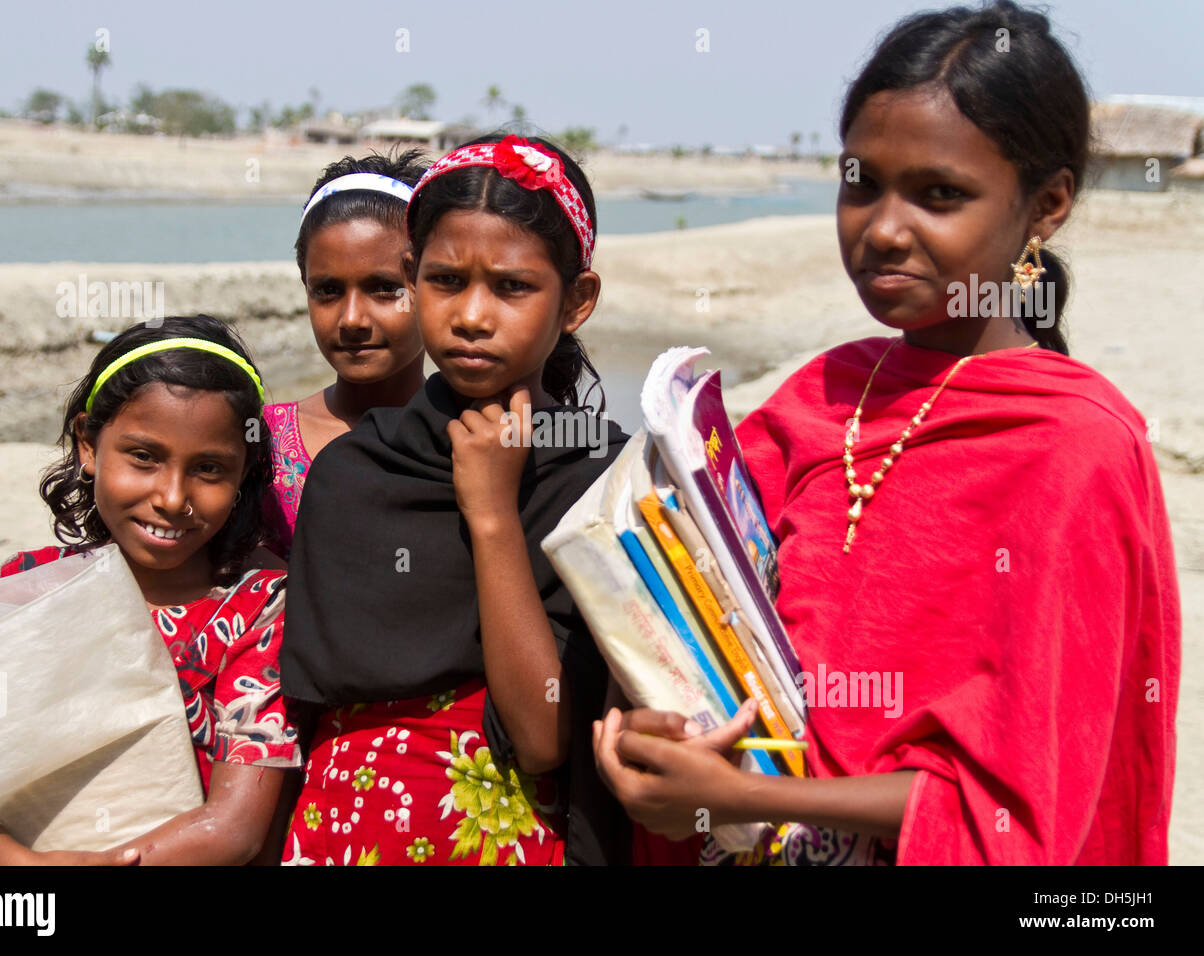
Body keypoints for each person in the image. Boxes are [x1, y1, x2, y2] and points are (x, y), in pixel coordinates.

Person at [593, 0, 1179, 865]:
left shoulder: (1074, 449)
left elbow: (1020, 806)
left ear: (1046, 206)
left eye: (940, 195)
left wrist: (746, 797)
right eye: (861, 181)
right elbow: (687, 620)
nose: (883, 229)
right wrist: (653, 742)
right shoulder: (818, 396)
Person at [280, 133, 631, 866]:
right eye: (445, 281)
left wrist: (494, 515)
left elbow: (541, 738)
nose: (472, 315)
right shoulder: (354, 474)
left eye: (511, 287)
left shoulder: (608, 478)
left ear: (577, 301)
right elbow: (305, 721)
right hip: (344, 836)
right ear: (414, 279)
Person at [0, 315, 302, 865]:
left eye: (210, 468)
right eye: (144, 457)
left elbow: (234, 828)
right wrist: (10, 862)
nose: (173, 497)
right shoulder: (29, 588)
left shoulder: (259, 607)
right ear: (88, 444)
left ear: (244, 474)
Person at [262, 150, 430, 559]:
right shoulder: (262, 444)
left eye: (384, 288)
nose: (352, 318)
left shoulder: (482, 437)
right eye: (328, 291)